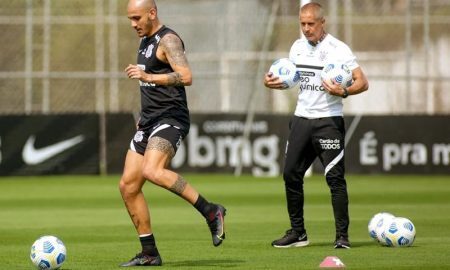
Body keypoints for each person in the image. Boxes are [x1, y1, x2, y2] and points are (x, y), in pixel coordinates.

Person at [119, 0, 226, 266]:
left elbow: (186, 76)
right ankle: (150, 252)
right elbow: (148, 82)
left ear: (152, 13)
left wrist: (152, 78)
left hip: (171, 119)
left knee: (152, 171)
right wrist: (143, 114)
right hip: (149, 122)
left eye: (136, 18)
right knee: (128, 187)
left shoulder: (168, 40)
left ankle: (211, 211)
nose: (133, 24)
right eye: (130, 19)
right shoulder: (145, 41)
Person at [263, 2, 368, 249]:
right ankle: (298, 232)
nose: (307, 28)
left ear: (322, 22)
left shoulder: (338, 49)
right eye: (302, 24)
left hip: (328, 121)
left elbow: (362, 82)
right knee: (290, 174)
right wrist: (273, 82)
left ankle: (342, 236)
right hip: (301, 119)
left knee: (335, 179)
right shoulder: (296, 48)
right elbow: (290, 77)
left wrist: (343, 90)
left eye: (311, 24)